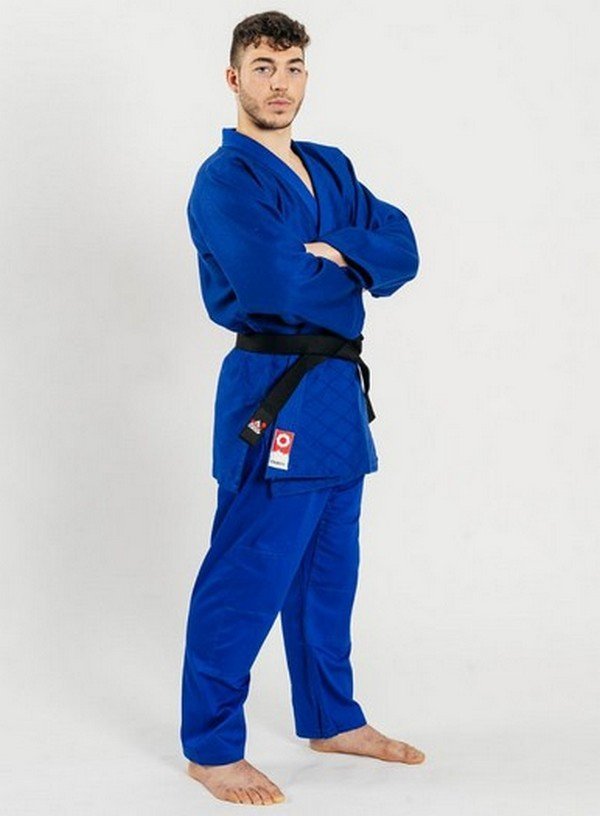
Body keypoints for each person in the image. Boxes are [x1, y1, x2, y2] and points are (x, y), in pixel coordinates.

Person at [180, 10, 425, 806]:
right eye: (262, 66)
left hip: (337, 400)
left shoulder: (331, 165)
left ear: (305, 77)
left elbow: (403, 247)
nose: (278, 82)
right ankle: (212, 747)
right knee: (247, 573)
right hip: (273, 393)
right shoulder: (226, 180)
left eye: (291, 67)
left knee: (328, 574)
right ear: (234, 78)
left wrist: (340, 249)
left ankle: (331, 718)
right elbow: (276, 283)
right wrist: (349, 269)